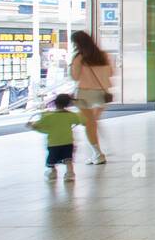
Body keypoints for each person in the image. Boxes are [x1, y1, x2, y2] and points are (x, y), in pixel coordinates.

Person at [69, 30, 112, 165]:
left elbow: (75, 77)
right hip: (102, 95)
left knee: (89, 125)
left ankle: (98, 153)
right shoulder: (104, 55)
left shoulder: (79, 58)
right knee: (93, 123)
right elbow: (111, 72)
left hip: (84, 95)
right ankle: (97, 151)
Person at [27, 93, 82, 182]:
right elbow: (80, 120)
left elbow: (38, 125)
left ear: (55, 103)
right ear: (68, 104)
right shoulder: (71, 115)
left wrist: (31, 125)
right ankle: (70, 173)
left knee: (52, 159)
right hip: (68, 142)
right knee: (68, 159)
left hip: (54, 143)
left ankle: (52, 172)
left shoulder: (49, 116)